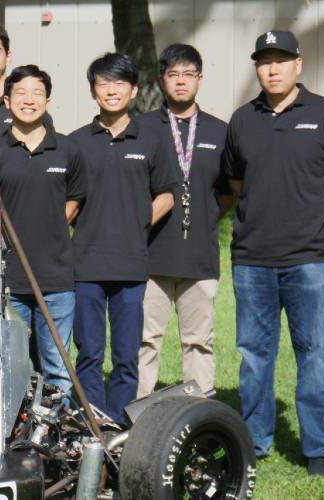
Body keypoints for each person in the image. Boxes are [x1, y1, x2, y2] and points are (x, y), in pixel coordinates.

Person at [224, 30, 324, 476]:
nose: (273, 68)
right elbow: (237, 184)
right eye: (265, 61)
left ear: (298, 65)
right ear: (257, 68)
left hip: (312, 262)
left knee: (314, 353)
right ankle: (255, 442)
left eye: (281, 60)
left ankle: (319, 448)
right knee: (254, 355)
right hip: (253, 262)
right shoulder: (243, 120)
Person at [69, 53, 178, 425]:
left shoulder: (151, 139)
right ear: (93, 91)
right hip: (85, 265)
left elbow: (167, 192)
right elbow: (65, 199)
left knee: (127, 356)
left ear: (133, 90)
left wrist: (138, 220)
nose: (111, 90)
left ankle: (118, 425)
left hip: (132, 265)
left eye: (119, 83)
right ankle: (92, 423)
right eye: (103, 83)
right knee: (89, 352)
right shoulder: (76, 143)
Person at [0, 64, 84, 393]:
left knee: (58, 367)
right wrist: (14, 238)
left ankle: (58, 439)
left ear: (48, 100)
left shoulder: (67, 150)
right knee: (9, 367)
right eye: (21, 93)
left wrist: (46, 227)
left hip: (57, 279)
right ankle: (12, 435)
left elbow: (73, 202)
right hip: (9, 280)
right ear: (7, 100)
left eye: (37, 93)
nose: (29, 100)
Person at [135, 44, 232, 399]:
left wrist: (202, 216)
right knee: (145, 340)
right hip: (151, 256)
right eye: (173, 74)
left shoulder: (220, 132)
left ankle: (199, 411)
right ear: (162, 80)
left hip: (199, 256)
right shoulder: (142, 128)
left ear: (200, 79)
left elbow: (227, 192)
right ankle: (138, 416)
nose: (180, 82)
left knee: (199, 341)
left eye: (188, 74)